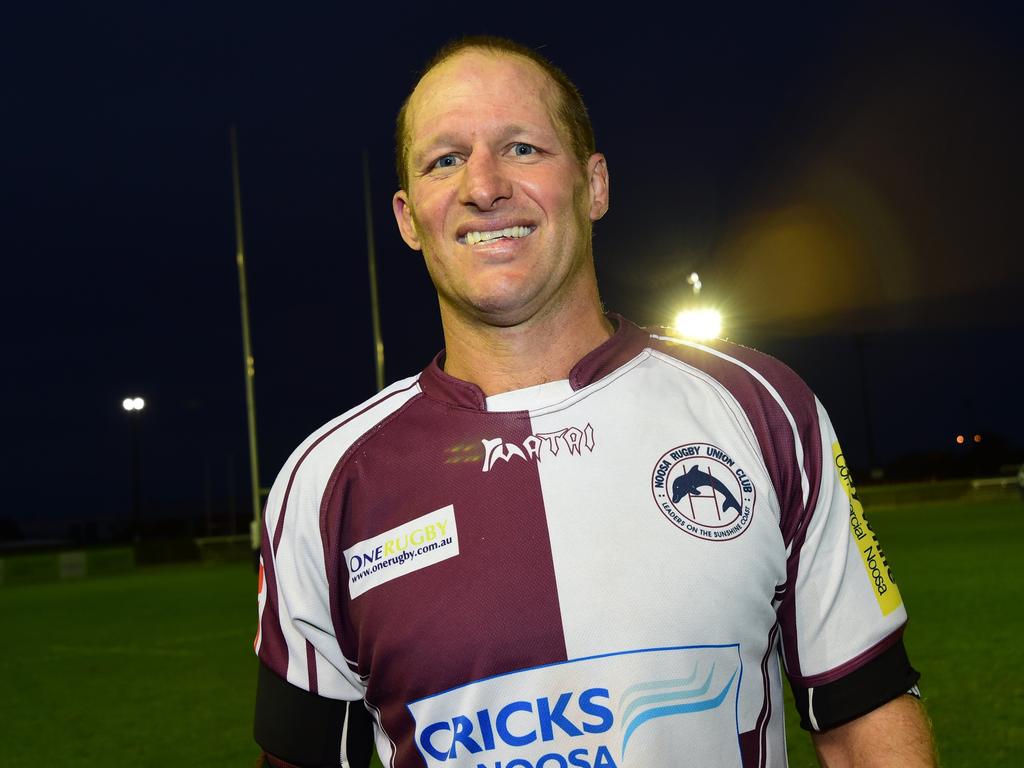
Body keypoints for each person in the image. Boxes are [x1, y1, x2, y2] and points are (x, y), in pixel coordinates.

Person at [254, 36, 935, 768]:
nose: (483, 187)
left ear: (595, 185)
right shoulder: (325, 483)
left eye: (521, 148)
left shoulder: (760, 409)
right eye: (444, 159)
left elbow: (864, 718)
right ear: (408, 217)